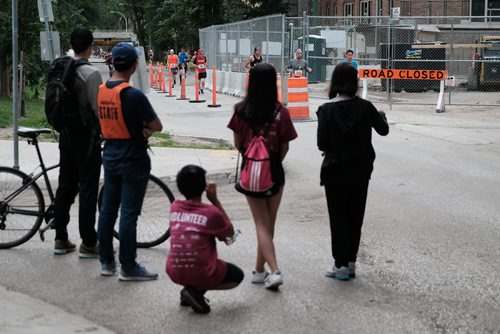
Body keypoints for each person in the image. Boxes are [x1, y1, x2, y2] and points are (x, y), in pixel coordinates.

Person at [227, 63, 297, 290]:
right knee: (268, 223)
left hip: (251, 170)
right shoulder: (281, 112)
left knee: (261, 223)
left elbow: (238, 145)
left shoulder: (240, 111)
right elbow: (285, 146)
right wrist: (272, 162)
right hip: (274, 170)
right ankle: (273, 270)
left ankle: (260, 271)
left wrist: (254, 159)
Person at [316, 62, 389, 281]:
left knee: (337, 216)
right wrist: (382, 115)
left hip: (335, 170)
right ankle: (350, 261)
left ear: (335, 82)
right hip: (360, 170)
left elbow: (321, 144)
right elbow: (383, 130)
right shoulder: (366, 107)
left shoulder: (326, 110)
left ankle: (339, 265)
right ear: (355, 82)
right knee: (355, 215)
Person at [97, 42, 163, 280]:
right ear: (134, 66)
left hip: (110, 155)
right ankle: (128, 266)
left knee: (107, 211)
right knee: (129, 214)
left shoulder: (102, 90)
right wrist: (143, 129)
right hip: (133, 157)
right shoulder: (132, 95)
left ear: (113, 62)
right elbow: (157, 125)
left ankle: (106, 262)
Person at [166, 165, 244, 314]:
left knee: (197, 266)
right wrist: (215, 200)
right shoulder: (211, 212)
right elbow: (230, 233)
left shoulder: (174, 207)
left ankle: (190, 292)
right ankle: (194, 291)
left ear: (180, 187)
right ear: (203, 187)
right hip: (201, 272)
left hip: (173, 270)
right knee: (237, 276)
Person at [52, 27, 102, 258]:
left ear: (72, 44)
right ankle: (89, 242)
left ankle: (60, 237)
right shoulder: (91, 74)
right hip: (87, 138)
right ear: (90, 46)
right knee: (88, 189)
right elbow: (97, 109)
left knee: (66, 185)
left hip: (66, 135)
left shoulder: (61, 67)